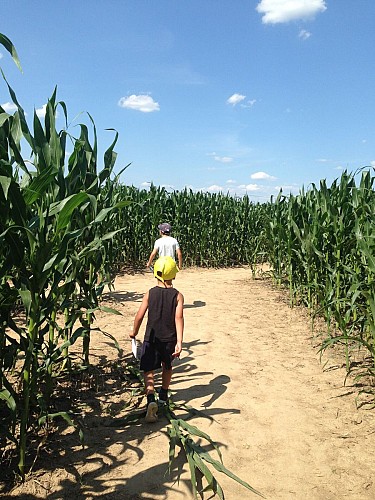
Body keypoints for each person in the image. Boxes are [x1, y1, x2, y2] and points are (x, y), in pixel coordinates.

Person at [130, 256, 184, 423]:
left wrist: (134, 332)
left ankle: (151, 398)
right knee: (167, 366)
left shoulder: (150, 293)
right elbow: (179, 318)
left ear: (155, 274)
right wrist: (179, 342)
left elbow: (139, 316)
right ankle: (163, 396)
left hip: (151, 338)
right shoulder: (178, 296)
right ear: (174, 275)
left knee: (148, 370)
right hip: (169, 340)